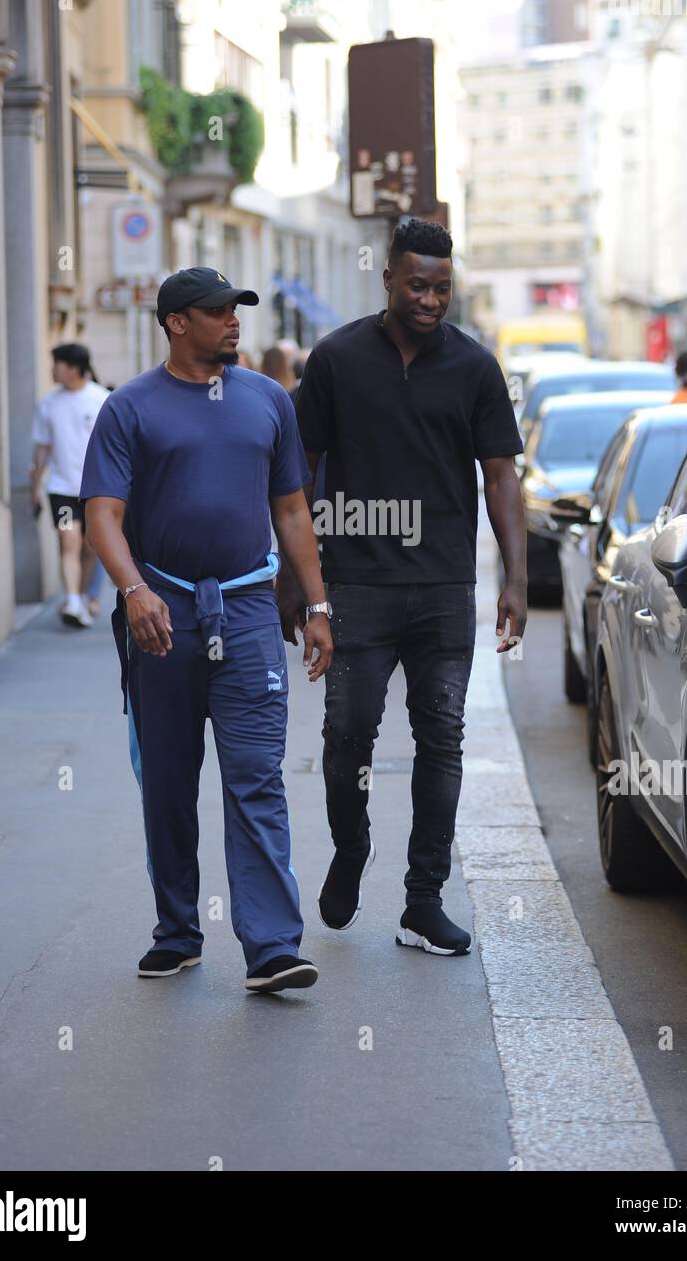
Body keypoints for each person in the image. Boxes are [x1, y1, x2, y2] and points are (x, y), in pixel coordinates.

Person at [279, 219, 528, 957]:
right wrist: (295, 580)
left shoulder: (475, 368)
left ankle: (423, 901)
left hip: (445, 587)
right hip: (354, 585)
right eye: (416, 284)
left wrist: (512, 577)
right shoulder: (335, 360)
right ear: (386, 278)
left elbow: (501, 477)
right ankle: (351, 848)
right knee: (346, 738)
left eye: (441, 287)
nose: (429, 299)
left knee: (441, 741)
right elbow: (298, 474)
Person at [81, 267, 332, 994]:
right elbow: (102, 514)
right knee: (167, 780)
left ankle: (273, 946)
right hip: (161, 613)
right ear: (175, 323)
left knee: (256, 777)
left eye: (235, 309)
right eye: (215, 311)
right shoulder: (130, 408)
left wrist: (316, 607)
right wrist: (134, 591)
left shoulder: (267, 402)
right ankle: (178, 930)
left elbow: (290, 511)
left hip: (250, 612)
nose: (232, 321)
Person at [30, 343, 109, 628]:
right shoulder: (48, 404)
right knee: (69, 541)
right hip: (61, 489)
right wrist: (34, 487)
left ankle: (84, 597)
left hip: (96, 490)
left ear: (73, 368)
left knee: (90, 548)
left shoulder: (101, 399)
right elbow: (41, 449)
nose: (52, 369)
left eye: (56, 364)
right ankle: (73, 601)